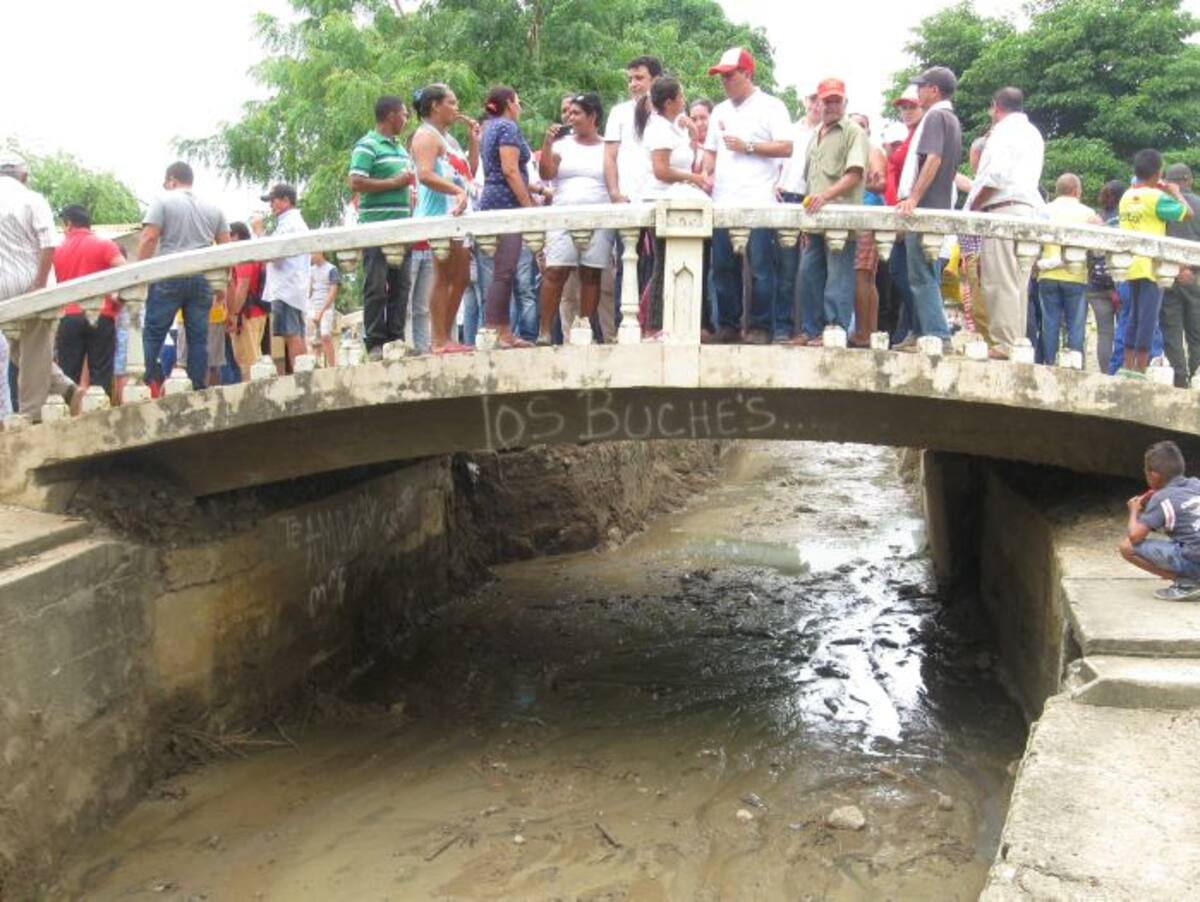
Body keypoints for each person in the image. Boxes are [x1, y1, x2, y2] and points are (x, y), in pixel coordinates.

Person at [703, 47, 793, 343]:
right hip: (723, 199)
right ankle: (728, 324)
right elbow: (710, 153)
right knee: (722, 268)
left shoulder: (771, 106)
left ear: (747, 73)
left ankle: (760, 326)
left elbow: (786, 147)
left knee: (761, 270)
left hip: (758, 199)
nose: (725, 81)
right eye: (722, 76)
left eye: (730, 75)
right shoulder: (719, 110)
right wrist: (707, 174)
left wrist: (749, 146)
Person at [966, 87, 1045, 360]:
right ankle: (1015, 340)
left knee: (1000, 280)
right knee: (1018, 280)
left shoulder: (1003, 132)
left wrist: (973, 206)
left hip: (1004, 208)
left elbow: (995, 176)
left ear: (995, 107)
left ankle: (1006, 342)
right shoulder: (1032, 133)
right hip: (1026, 209)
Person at [138, 161, 230, 391]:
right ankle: (198, 386)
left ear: (172, 180)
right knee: (198, 337)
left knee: (153, 333)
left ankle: (142, 382)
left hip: (170, 273)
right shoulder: (214, 207)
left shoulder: (162, 200)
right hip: (202, 278)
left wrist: (139, 274)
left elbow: (149, 238)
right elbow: (226, 248)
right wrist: (221, 284)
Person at [0, 155, 78, 419]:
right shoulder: (32, 199)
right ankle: (31, 416)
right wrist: (40, 283)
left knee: (19, 352)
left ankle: (66, 389)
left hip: (1, 289)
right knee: (33, 349)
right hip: (30, 284)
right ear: (23, 177)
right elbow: (48, 243)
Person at [536, 92, 616, 344]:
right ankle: (545, 331)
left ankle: (584, 327)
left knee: (591, 273)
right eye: (569, 113)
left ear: (593, 116)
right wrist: (548, 144)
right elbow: (547, 172)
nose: (570, 117)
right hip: (564, 214)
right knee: (555, 271)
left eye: (577, 113)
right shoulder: (562, 146)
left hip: (598, 215)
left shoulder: (608, 147)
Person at [637, 76, 713, 333]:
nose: (684, 100)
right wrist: (695, 179)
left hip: (679, 199)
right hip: (661, 200)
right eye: (681, 96)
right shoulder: (658, 128)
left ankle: (678, 320)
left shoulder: (673, 127)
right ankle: (655, 325)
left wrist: (692, 134)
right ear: (669, 102)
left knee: (678, 261)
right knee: (662, 262)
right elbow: (661, 170)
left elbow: (682, 161)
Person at [894, 66, 962, 351]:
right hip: (939, 205)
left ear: (934, 90)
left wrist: (913, 197)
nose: (918, 92)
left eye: (922, 87)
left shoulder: (935, 116)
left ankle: (938, 334)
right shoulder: (951, 119)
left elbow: (932, 159)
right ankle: (919, 331)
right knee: (922, 273)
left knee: (920, 275)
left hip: (925, 207)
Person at [410, 83, 480, 354]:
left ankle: (446, 337)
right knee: (444, 276)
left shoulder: (447, 138)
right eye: (451, 102)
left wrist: (474, 141)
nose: (456, 108)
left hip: (458, 215)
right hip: (440, 213)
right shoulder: (425, 136)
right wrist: (455, 191)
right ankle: (439, 339)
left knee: (461, 276)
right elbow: (425, 174)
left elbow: (469, 173)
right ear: (435, 105)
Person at [797, 77, 868, 343]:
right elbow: (810, 180)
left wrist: (825, 197)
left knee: (839, 277)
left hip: (840, 217)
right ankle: (812, 329)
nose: (832, 106)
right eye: (827, 100)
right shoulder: (815, 134)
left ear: (845, 102)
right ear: (818, 102)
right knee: (809, 273)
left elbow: (855, 173)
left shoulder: (853, 132)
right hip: (815, 218)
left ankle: (834, 330)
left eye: (837, 100)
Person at [349, 95, 417, 361]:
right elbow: (356, 182)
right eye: (404, 114)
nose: (406, 120)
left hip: (401, 228)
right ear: (391, 115)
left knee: (401, 286)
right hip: (376, 228)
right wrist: (394, 183)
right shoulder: (367, 145)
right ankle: (375, 342)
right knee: (376, 286)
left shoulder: (400, 148)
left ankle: (396, 339)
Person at [1116, 148, 1193, 375]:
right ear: (1158, 172)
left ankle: (1127, 364)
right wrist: (1176, 192)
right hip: (1151, 266)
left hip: (1129, 264)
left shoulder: (1127, 196)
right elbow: (1187, 213)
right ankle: (1140, 367)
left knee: (1132, 317)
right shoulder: (1157, 198)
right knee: (1147, 319)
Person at [479, 85, 536, 348]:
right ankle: (495, 328)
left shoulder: (488, 127)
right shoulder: (507, 128)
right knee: (505, 270)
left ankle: (503, 330)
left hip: (492, 199)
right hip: (505, 202)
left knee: (503, 269)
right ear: (510, 104)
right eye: (519, 101)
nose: (520, 107)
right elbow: (510, 170)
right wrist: (527, 206)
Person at [53, 204, 125, 401]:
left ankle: (68, 416)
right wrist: (117, 300)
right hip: (102, 315)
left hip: (69, 316)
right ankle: (100, 413)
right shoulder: (106, 245)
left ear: (68, 224)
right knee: (101, 373)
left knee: (69, 374)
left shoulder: (57, 251)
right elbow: (125, 271)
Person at [1119, 440, 1200, 601]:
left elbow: (1135, 536)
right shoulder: (1196, 483)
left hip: (1196, 559)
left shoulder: (1161, 498)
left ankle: (1186, 583)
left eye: (1146, 472)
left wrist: (1134, 511)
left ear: (1154, 475)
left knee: (1126, 547)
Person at [1035, 173, 1102, 364]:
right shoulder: (1087, 213)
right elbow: (1097, 249)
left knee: (1050, 324)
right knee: (1076, 325)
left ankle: (1049, 362)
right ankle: (1075, 363)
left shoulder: (1044, 210)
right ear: (1076, 191)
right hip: (1075, 275)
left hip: (1047, 274)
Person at [777, 92, 821, 341]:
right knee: (785, 268)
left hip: (812, 200)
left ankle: (807, 327)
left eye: (820, 101)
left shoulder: (828, 132)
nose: (815, 105)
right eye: (812, 99)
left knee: (809, 270)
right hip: (787, 196)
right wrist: (776, 183)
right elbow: (778, 162)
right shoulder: (791, 130)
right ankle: (783, 326)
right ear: (805, 101)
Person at [884, 85, 923, 344]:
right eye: (904, 107)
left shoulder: (921, 135)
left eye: (912, 106)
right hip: (899, 211)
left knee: (908, 274)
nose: (907, 111)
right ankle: (913, 328)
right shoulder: (910, 136)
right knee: (902, 274)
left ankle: (925, 326)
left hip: (910, 212)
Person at [260, 183, 311, 372]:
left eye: (273, 200)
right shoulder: (294, 222)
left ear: (286, 201)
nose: (271, 205)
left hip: (286, 288)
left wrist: (259, 233)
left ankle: (301, 374)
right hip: (293, 286)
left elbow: (273, 253)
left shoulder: (289, 224)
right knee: (296, 333)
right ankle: (304, 371)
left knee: (291, 334)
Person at [1159, 163, 1200, 386]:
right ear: (1189, 180)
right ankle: (1197, 375)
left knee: (1171, 331)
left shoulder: (1162, 204)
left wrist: (1177, 269)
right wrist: (1191, 270)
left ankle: (1179, 378)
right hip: (1196, 278)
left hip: (1169, 275)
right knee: (1197, 332)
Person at [849, 112, 888, 344]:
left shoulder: (872, 150)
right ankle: (866, 331)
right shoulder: (851, 150)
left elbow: (880, 183)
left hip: (867, 215)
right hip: (854, 217)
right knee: (863, 277)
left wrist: (856, 180)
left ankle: (866, 332)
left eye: (862, 125)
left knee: (862, 275)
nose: (858, 129)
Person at [603, 55, 661, 205]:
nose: (633, 84)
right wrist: (615, 194)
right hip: (629, 197)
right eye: (630, 79)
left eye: (639, 78)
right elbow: (610, 156)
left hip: (663, 196)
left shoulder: (670, 111)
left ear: (656, 80)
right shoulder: (618, 112)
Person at [225, 221, 268, 381]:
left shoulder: (242, 256)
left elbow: (242, 286)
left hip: (246, 314)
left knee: (247, 362)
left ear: (235, 236)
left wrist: (234, 314)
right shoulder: (254, 253)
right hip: (258, 311)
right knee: (256, 358)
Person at [307, 251, 340, 366]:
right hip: (312, 306)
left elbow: (333, 291)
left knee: (325, 336)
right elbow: (309, 290)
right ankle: (315, 364)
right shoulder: (311, 270)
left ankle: (332, 366)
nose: (311, 256)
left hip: (326, 308)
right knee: (312, 339)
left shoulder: (331, 269)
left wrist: (321, 311)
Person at [688, 98, 713, 172]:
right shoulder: (685, 146)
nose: (699, 124)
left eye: (703, 118)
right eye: (694, 119)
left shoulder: (723, 144)